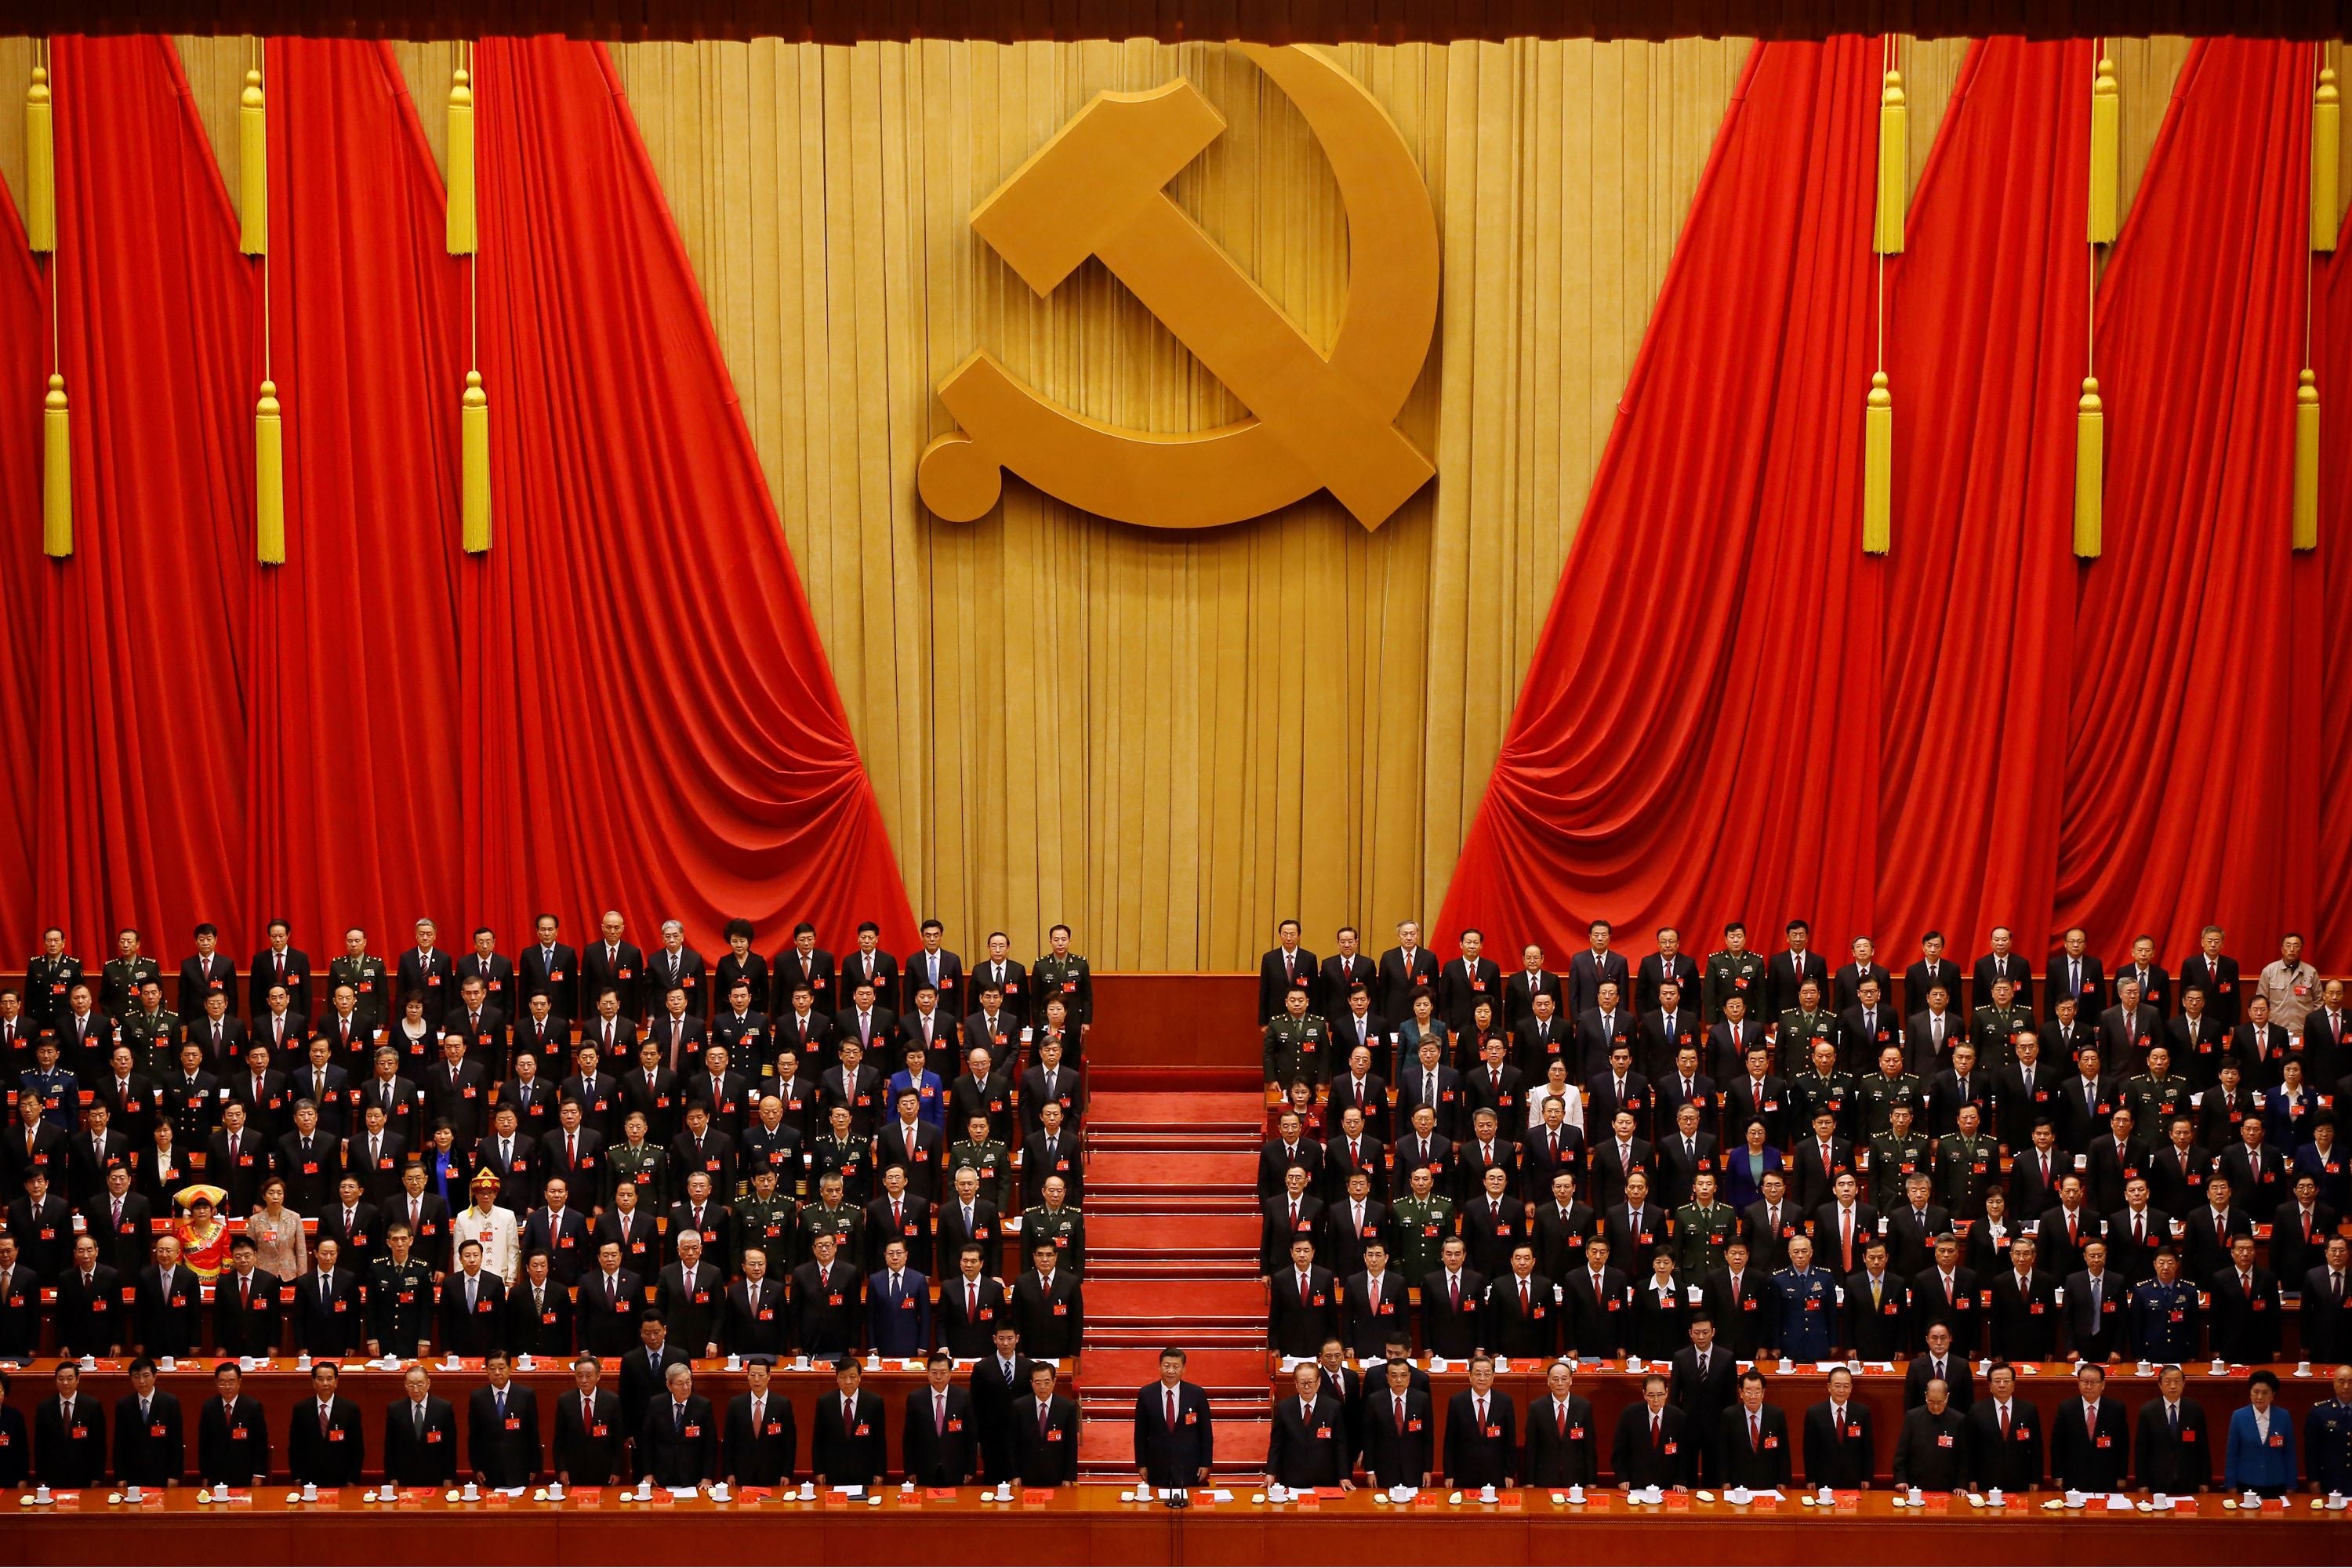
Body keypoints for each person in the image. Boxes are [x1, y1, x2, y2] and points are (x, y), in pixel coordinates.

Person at [1134, 1346, 1215, 1490]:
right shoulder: (1146, 1394)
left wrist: (1206, 1463)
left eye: (1176, 1366)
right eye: (1167, 1366)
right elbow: (1140, 1434)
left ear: (1183, 1369)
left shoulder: (1196, 1394)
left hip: (1189, 1466)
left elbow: (1206, 1433)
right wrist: (1141, 1464)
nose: (1171, 1371)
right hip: (1157, 1465)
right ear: (1159, 1367)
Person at [1265, 1360, 1351, 1491]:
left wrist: (1344, 1476)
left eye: (1310, 1382)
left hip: (1325, 1478)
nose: (1307, 1387)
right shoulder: (1285, 1408)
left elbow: (1340, 1445)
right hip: (1293, 1478)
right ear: (1295, 1384)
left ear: (1319, 1382)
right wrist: (1271, 1473)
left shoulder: (1333, 1408)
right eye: (1302, 1383)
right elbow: (1276, 1444)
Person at [2049, 1362, 2129, 1493]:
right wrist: (2057, 1475)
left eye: (2094, 1382)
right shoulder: (2066, 1408)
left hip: (2106, 1477)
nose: (2089, 1386)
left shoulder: (2116, 1409)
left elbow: (2123, 1446)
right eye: (2084, 1382)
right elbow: (2057, 1445)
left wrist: (2121, 1476)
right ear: (2078, 1383)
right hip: (2073, 1477)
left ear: (2103, 1385)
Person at [1965, 1362, 2044, 1493]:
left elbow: (2036, 1447)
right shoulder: (1976, 1411)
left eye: (2006, 1381)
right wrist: (1971, 1478)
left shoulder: (2028, 1410)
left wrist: (2035, 1479)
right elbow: (1970, 1449)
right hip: (1986, 1481)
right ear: (1989, 1385)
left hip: (2020, 1480)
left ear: (2014, 1384)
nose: (2002, 1385)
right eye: (1997, 1381)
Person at [468, 1348, 541, 1490]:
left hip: (520, 1469)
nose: (497, 1372)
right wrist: (476, 1468)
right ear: (487, 1371)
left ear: (510, 1369)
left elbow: (533, 1435)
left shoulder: (526, 1395)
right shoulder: (478, 1398)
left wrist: (534, 1467)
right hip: (490, 1471)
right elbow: (474, 1437)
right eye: (492, 1368)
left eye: (501, 1368)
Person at [637, 1362, 717, 1490]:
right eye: (680, 1383)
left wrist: (707, 1477)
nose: (686, 1387)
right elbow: (647, 1442)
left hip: (693, 1477)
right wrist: (648, 1473)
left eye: (688, 1382)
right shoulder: (656, 1404)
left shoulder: (703, 1406)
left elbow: (710, 1445)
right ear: (669, 1385)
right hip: (661, 1476)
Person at [2135, 1363, 2212, 1494]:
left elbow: (2203, 1448)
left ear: (2184, 1383)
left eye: (2177, 1381)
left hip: (2189, 1480)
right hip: (2157, 1481)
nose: (2173, 1386)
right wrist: (2142, 1483)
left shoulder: (2195, 1409)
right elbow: (2141, 1451)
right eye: (2168, 1382)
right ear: (2160, 1385)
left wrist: (2205, 1481)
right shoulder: (2148, 1411)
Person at [1443, 1353, 1517, 1488]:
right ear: (1469, 1376)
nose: (1482, 1378)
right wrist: (1449, 1474)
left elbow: (1510, 1442)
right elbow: (1450, 1442)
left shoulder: (1505, 1402)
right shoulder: (1457, 1402)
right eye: (1478, 1373)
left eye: (1487, 1374)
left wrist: (1510, 1473)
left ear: (1493, 1377)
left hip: (1496, 1474)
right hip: (1464, 1474)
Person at [724, 1354, 797, 1488]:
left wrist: (786, 1473)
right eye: (752, 1375)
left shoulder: (782, 1404)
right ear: (747, 1376)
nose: (756, 1380)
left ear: (769, 1377)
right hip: (742, 1473)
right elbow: (729, 1442)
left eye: (761, 1375)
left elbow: (789, 1442)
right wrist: (729, 1472)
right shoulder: (736, 1404)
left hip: (773, 1473)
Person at [288, 1361, 365, 1487]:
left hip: (341, 1479)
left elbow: (357, 1448)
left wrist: (353, 1479)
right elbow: (295, 1447)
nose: (325, 1384)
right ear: (313, 1382)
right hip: (309, 1480)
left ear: (336, 1382)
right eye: (320, 1379)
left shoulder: (350, 1409)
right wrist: (296, 1476)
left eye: (329, 1379)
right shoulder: (301, 1409)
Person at [812, 1357, 887, 1486]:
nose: (848, 1382)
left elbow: (880, 1441)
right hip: (833, 1472)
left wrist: (879, 1472)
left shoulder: (874, 1402)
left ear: (860, 1377)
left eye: (853, 1377)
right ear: (837, 1378)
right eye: (843, 1377)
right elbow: (818, 1440)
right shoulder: (825, 1402)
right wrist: (819, 1471)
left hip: (865, 1472)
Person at [553, 1355, 626, 1486]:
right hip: (574, 1471)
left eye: (588, 1375)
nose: (584, 1380)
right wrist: (562, 1470)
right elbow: (559, 1441)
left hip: (604, 1471)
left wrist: (616, 1470)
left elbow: (618, 1440)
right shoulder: (565, 1401)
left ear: (598, 1376)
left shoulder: (612, 1401)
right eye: (579, 1376)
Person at [1609, 1370, 1686, 1490]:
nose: (1656, 1400)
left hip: (1668, 1485)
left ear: (1667, 1393)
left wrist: (1680, 1480)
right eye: (1651, 1395)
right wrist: (1622, 1478)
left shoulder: (1678, 1417)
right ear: (1644, 1394)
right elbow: (1619, 1451)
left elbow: (1684, 1454)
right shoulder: (1630, 1414)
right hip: (1636, 1484)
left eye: (1660, 1394)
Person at [2225, 1369, 2297, 1497]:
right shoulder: (2239, 1416)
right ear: (2250, 1393)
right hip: (2247, 1483)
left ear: (2273, 1395)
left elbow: (2290, 1453)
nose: (2259, 1397)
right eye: (2256, 1392)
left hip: (2276, 1483)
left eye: (2265, 1393)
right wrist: (2231, 1485)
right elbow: (2232, 1454)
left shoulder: (2283, 1416)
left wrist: (2291, 1485)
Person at [197, 1361, 269, 1487]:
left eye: (231, 1381)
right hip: (216, 1475)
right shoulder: (209, 1407)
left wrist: (258, 1474)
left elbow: (260, 1444)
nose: (227, 1386)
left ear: (239, 1382)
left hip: (245, 1474)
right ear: (216, 1383)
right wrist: (205, 1475)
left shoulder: (253, 1407)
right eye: (222, 1382)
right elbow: (204, 1445)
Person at [1802, 1365, 1874, 1490]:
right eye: (1837, 1385)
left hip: (1854, 1478)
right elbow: (1809, 1450)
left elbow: (1868, 1448)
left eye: (1846, 1386)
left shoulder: (1862, 1412)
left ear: (1851, 1388)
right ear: (1829, 1387)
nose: (1841, 1390)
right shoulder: (1814, 1413)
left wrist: (1867, 1477)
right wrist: (1810, 1479)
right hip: (1823, 1479)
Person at [1715, 1370, 1790, 1489]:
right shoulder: (1729, 1415)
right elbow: (1723, 1451)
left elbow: (1783, 1451)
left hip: (1768, 1481)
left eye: (1757, 1392)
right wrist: (1724, 1480)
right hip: (1738, 1482)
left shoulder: (1776, 1415)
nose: (1753, 1397)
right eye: (1748, 1392)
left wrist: (1783, 1481)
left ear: (1763, 1393)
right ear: (1741, 1393)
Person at [1892, 1377, 1968, 1490]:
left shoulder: (1959, 1420)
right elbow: (1902, 1452)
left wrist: (1961, 1485)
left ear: (1947, 1398)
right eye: (1931, 1401)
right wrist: (1901, 1480)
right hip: (1915, 1486)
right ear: (1926, 1396)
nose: (1935, 1407)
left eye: (1940, 1402)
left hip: (1949, 1486)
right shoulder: (1913, 1417)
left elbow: (1964, 1457)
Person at [1013, 1361, 1080, 1486]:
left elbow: (1071, 1445)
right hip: (1026, 1475)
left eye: (1047, 1382)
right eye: (1038, 1382)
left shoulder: (1067, 1407)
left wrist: (1069, 1477)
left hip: (1056, 1475)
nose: (1042, 1387)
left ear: (1054, 1381)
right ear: (1031, 1383)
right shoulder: (1019, 1407)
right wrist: (1014, 1474)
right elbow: (1012, 1443)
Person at [2306, 1364, 2352, 1497]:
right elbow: (2311, 1450)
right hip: (2330, 1478)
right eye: (2341, 1381)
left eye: (2350, 1382)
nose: (2346, 1387)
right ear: (2334, 1383)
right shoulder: (2320, 1411)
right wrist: (2313, 1479)